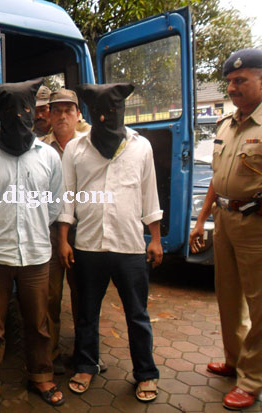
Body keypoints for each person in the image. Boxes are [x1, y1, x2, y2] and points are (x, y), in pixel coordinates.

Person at [0, 79, 65, 413]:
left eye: (26, 110)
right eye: (11, 111)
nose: (19, 117)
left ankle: (41, 376)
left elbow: (55, 202)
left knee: (38, 323)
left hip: (36, 256)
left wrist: (36, 227)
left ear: (34, 113)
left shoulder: (48, 157)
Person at [190, 49, 262, 410]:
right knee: (228, 297)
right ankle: (235, 360)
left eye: (240, 80)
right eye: (229, 81)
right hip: (226, 220)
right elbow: (217, 178)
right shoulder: (226, 124)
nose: (232, 88)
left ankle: (253, 380)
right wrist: (201, 220)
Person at [59, 83, 163, 402]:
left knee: (137, 314)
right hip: (88, 245)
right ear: (90, 113)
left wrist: (155, 238)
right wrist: (63, 240)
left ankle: (146, 373)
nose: (106, 118)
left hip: (130, 245)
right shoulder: (76, 149)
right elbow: (67, 197)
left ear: (122, 111)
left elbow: (149, 193)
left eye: (113, 111)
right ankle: (86, 365)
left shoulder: (140, 146)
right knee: (87, 312)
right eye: (99, 112)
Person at [39, 88, 89, 375]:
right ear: (49, 115)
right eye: (56, 110)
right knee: (49, 296)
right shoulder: (39, 147)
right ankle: (49, 356)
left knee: (84, 294)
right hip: (49, 231)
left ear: (78, 114)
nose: (61, 116)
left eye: (68, 110)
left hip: (83, 231)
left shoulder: (90, 144)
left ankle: (85, 355)